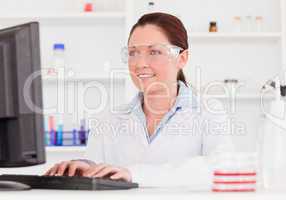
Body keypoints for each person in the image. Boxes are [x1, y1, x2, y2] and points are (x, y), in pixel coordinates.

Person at [45, 12, 233, 187]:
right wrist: (82, 167)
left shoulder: (208, 111)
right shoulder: (110, 118)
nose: (140, 63)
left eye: (154, 52)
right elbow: (97, 166)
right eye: (133, 53)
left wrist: (133, 174)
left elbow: (219, 167)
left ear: (182, 59)